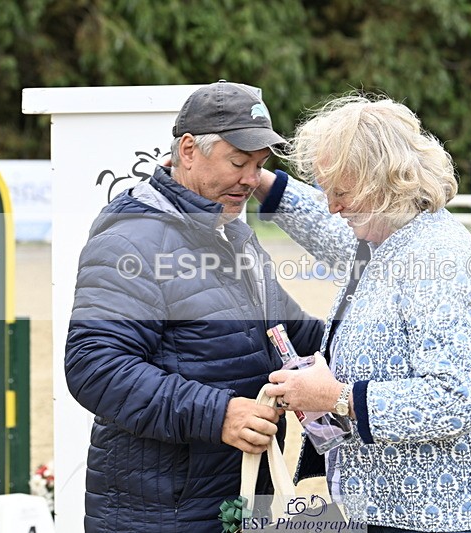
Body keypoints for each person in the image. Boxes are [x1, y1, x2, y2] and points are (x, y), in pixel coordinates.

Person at [257, 94, 471, 532]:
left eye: (341, 193)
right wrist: (267, 186)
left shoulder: (440, 262)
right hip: (399, 512)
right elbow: (333, 233)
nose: (332, 206)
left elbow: (453, 398)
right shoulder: (389, 237)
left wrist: (337, 398)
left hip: (448, 517)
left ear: (383, 184)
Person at [64, 80, 323, 532]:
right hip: (161, 513)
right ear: (188, 150)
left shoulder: (233, 236)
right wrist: (218, 414)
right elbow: (94, 365)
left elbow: (295, 330)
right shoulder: (130, 240)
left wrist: (373, 347)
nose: (249, 180)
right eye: (238, 162)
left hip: (232, 502)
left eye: (258, 166)